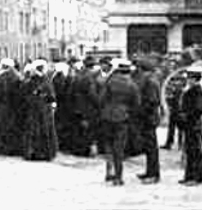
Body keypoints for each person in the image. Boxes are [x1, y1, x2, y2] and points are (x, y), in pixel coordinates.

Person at [99, 58, 140, 186]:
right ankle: (118, 176)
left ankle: (109, 171)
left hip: (107, 116)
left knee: (108, 145)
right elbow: (136, 103)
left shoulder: (110, 82)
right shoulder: (132, 84)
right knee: (119, 148)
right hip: (122, 117)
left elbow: (101, 99)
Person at [21, 60, 58, 161]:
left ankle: (39, 152)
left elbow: (51, 94)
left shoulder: (40, 80)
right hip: (40, 109)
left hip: (40, 109)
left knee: (39, 130)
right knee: (40, 130)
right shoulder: (42, 80)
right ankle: (41, 153)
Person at [0, 58, 23, 155]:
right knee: (12, 127)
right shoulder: (17, 77)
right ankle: (12, 148)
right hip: (13, 106)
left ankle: (0, 148)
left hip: (1, 105)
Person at [134, 57, 161, 184]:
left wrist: (141, 111)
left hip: (149, 118)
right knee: (149, 147)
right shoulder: (150, 80)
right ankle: (150, 172)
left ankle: (153, 174)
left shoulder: (150, 82)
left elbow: (152, 102)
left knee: (151, 147)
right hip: (148, 117)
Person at [178, 66, 202, 186]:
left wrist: (187, 115)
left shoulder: (197, 90)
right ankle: (189, 176)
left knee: (195, 151)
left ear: (194, 79)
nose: (188, 80)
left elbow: (199, 109)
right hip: (189, 123)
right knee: (190, 151)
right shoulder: (192, 89)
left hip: (193, 123)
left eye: (190, 78)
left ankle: (196, 177)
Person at [69, 55, 100, 157]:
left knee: (78, 129)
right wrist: (98, 103)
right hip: (87, 107)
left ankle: (77, 149)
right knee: (87, 130)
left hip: (76, 106)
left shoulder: (77, 75)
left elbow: (71, 92)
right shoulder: (89, 77)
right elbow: (92, 94)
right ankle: (85, 150)